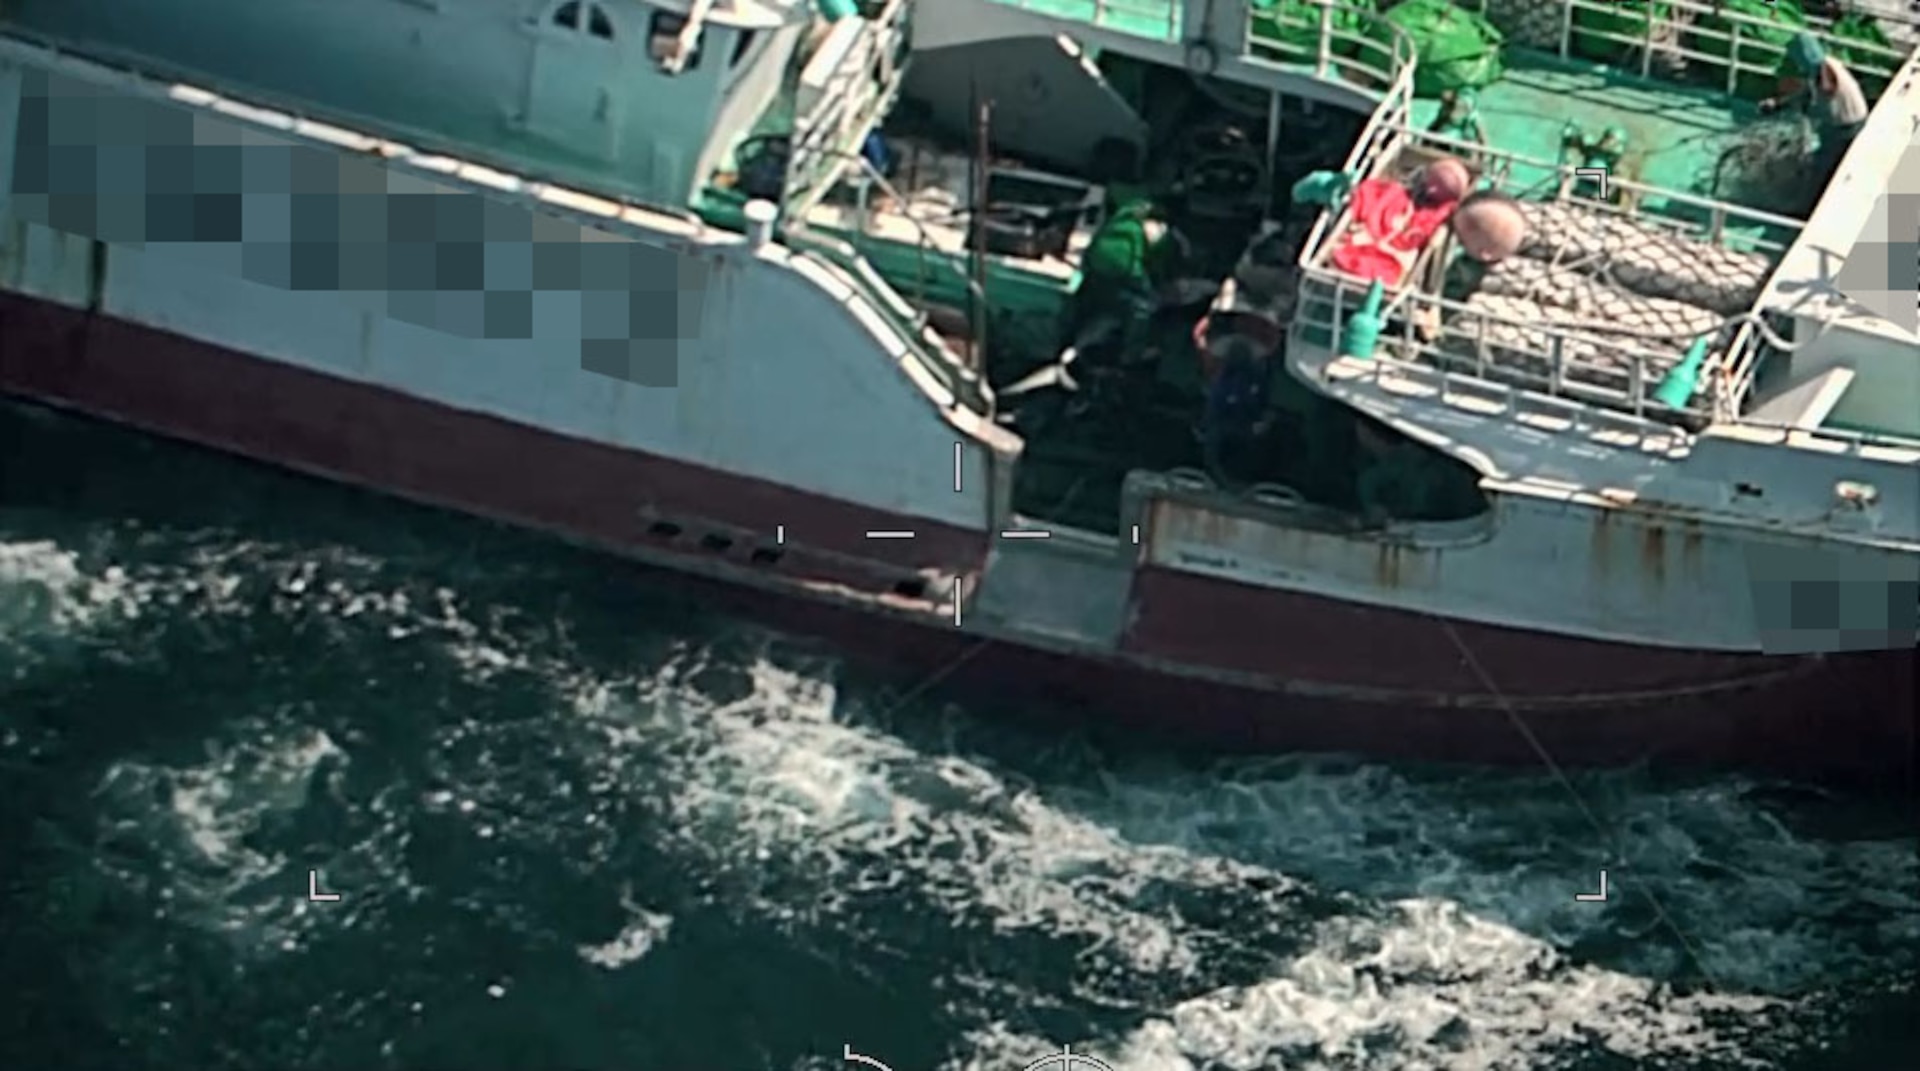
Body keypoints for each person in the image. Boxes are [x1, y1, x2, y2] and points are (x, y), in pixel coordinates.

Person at [1759, 33, 1870, 197]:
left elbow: (1815, 99)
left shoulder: (1824, 80)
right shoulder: (1827, 66)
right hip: (1852, 121)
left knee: (1822, 169)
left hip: (1845, 128)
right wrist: (1779, 104)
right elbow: (1806, 93)